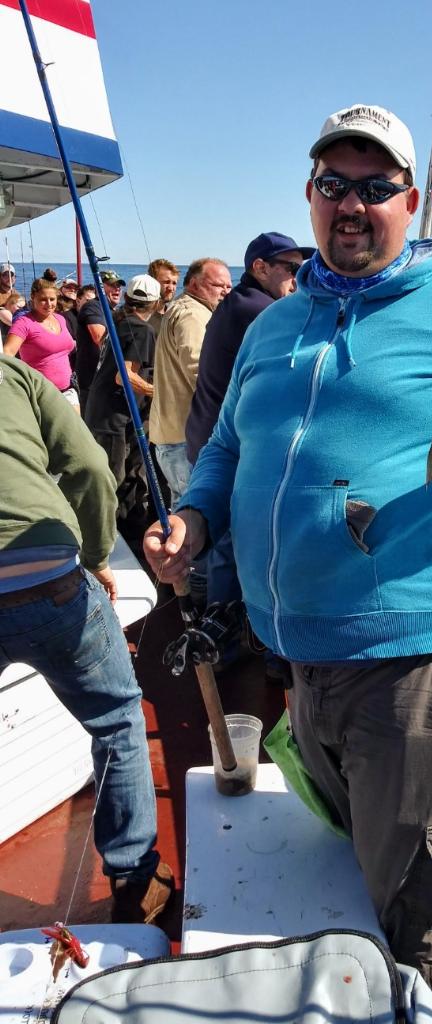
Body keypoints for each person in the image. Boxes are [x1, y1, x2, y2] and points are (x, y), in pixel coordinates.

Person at [144, 103, 432, 1023]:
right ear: (310, 197)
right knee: (352, 870)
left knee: (422, 914)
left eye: (375, 187)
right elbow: (230, 447)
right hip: (300, 659)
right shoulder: (278, 323)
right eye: (333, 186)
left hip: (418, 669)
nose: (352, 204)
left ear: (415, 199)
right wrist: (196, 519)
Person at [0, 354, 173, 923]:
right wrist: (97, 558)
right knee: (119, 720)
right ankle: (134, 878)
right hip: (48, 582)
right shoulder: (15, 376)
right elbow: (90, 468)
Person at [186, 232, 314, 465]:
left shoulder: (238, 301)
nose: (299, 279)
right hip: (227, 451)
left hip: (205, 438)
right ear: (261, 268)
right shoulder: (263, 312)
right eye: (293, 269)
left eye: (305, 270)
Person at [149, 258, 231, 507]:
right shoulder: (193, 316)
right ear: (194, 284)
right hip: (183, 438)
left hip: (170, 433)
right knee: (193, 513)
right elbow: (200, 372)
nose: (226, 292)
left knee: (181, 508)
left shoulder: (179, 308)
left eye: (229, 286)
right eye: (219, 285)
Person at [85, 274, 160, 528]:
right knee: (113, 478)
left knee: (122, 475)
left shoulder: (118, 320)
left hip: (100, 410)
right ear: (156, 303)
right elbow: (124, 376)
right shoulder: (141, 329)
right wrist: (158, 392)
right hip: (114, 417)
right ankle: (102, 533)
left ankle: (124, 528)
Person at [3, 277, 79, 410]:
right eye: (43, 299)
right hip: (42, 395)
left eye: (52, 299)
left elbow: (67, 345)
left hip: (69, 390)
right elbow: (7, 354)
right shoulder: (24, 323)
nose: (49, 304)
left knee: (76, 430)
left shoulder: (60, 319)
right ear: (33, 297)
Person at [76, 270, 125, 412]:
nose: (117, 289)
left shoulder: (114, 311)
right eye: (112, 285)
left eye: (119, 286)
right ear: (100, 288)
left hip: (104, 381)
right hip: (91, 381)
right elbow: (100, 339)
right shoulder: (93, 306)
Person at [146, 258, 180, 337]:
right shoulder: (142, 317)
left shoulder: (173, 316)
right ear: (152, 282)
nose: (171, 288)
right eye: (166, 282)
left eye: (174, 283)